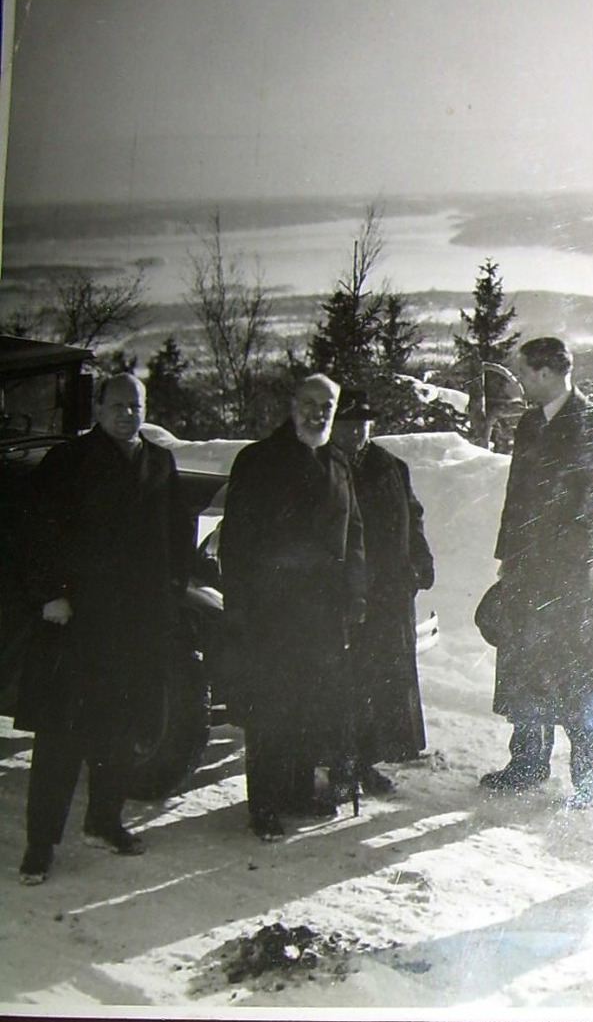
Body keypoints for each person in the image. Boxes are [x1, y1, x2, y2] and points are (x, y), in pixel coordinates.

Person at [17, 373, 194, 884]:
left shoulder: (159, 462)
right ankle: (40, 845)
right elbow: (35, 534)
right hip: (77, 622)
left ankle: (104, 822)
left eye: (135, 405)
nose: (127, 414)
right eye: (117, 405)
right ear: (98, 407)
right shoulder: (68, 461)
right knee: (61, 739)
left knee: (117, 731)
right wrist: (49, 594)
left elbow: (178, 535)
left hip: (135, 625)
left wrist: (172, 590)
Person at [478, 337, 593, 810]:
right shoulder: (528, 424)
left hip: (571, 581)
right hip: (526, 571)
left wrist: (561, 558)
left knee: (576, 680)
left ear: (546, 373)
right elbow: (515, 495)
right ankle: (526, 765)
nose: (520, 383)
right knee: (526, 671)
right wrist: (508, 556)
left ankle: (589, 778)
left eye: (524, 374)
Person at [220, 373, 366, 842]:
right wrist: (239, 607)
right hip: (272, 613)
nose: (317, 412)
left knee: (310, 706)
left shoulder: (339, 463)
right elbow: (236, 541)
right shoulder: (259, 460)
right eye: (309, 403)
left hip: (323, 616)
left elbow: (354, 536)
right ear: (292, 405)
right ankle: (263, 804)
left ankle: (299, 792)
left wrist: (355, 594)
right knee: (270, 710)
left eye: (327, 405)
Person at [328, 388, 435, 797]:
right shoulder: (325, 467)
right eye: (347, 423)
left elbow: (413, 516)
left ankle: (366, 763)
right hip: (346, 592)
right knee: (344, 682)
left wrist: (420, 562)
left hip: (389, 593)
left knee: (381, 682)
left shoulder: (390, 466)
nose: (356, 431)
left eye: (362, 423)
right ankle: (340, 766)